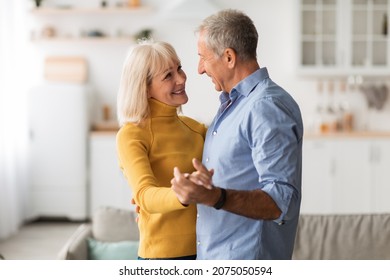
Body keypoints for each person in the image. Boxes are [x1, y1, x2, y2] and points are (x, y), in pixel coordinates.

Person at [171, 9, 304, 260]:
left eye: (203, 58)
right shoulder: (234, 106)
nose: (199, 69)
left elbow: (281, 200)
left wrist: (215, 196)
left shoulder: (265, 107)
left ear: (229, 57)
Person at [116, 41, 207, 260]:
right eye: (168, 76)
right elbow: (145, 194)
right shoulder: (131, 135)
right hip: (160, 257)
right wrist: (185, 192)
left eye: (179, 68)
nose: (182, 78)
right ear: (145, 88)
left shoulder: (198, 129)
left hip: (207, 250)